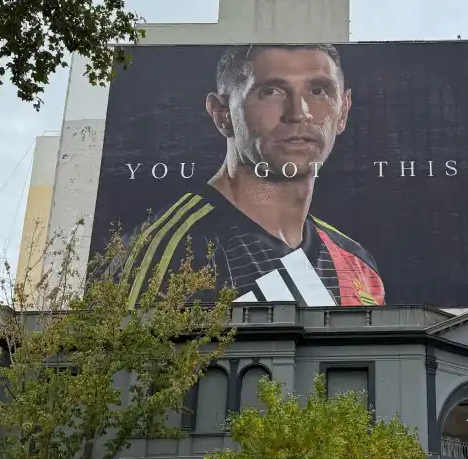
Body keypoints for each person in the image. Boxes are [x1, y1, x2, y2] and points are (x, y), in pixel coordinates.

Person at [124, 44, 385, 308]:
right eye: (270, 91)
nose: (299, 113)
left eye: (319, 91)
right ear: (221, 113)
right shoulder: (173, 250)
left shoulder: (357, 266)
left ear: (343, 110)